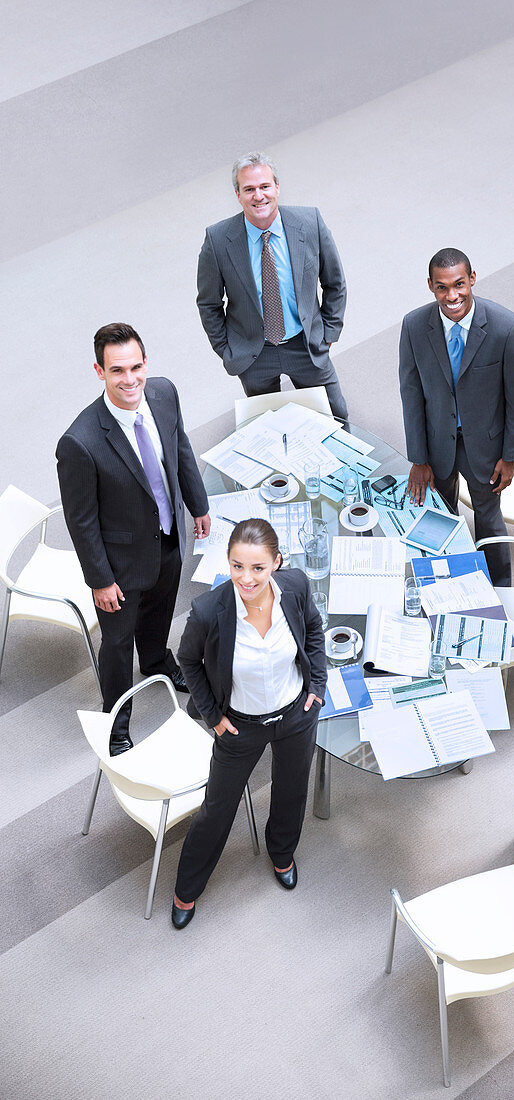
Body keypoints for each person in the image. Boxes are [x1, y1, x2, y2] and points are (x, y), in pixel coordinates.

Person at [56, 323, 210, 755]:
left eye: (136, 366)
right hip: (119, 565)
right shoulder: (80, 443)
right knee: (118, 644)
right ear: (99, 371)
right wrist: (100, 580)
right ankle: (117, 721)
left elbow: (179, 449)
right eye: (117, 370)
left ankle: (158, 660)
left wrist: (197, 505)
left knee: (161, 610)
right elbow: (81, 521)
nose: (130, 379)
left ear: (146, 363)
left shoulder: (163, 393)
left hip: (166, 537)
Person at [171, 519, 326, 929]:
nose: (247, 578)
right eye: (238, 566)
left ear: (276, 563)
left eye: (258, 567)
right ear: (229, 563)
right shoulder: (209, 610)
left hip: (295, 713)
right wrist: (214, 718)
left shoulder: (295, 587)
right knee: (218, 808)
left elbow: (312, 629)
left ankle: (281, 855)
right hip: (239, 725)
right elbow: (189, 662)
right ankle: (187, 889)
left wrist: (317, 686)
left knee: (292, 791)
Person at [398, 247, 514, 587]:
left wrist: (510, 457)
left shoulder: (505, 328)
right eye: (442, 287)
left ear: (472, 279)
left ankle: (500, 589)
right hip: (436, 444)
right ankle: (450, 583)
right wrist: (418, 458)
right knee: (442, 516)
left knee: (488, 519)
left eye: (459, 284)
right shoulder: (414, 326)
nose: (452, 295)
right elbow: (411, 395)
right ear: (430, 286)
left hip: (486, 449)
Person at [196, 150, 349, 420]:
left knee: (336, 417)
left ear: (277, 187)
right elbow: (209, 303)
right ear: (238, 194)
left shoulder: (310, 222)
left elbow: (335, 283)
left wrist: (328, 334)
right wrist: (227, 349)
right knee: (270, 429)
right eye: (249, 189)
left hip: (306, 345)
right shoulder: (218, 240)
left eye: (265, 186)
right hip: (255, 354)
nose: (259, 195)